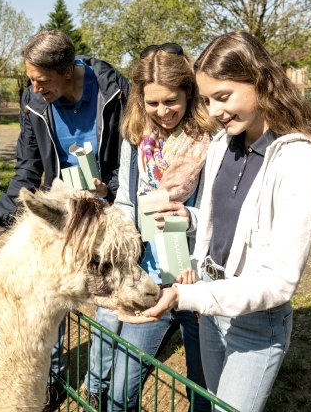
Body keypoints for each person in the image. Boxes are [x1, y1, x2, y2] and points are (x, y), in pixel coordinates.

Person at [119, 31, 311, 411]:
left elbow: (278, 282)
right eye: (207, 99)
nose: (213, 111)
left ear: (260, 83)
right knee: (212, 403)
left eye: (223, 97)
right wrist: (189, 218)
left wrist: (184, 296)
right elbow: (226, 223)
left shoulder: (299, 161)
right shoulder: (221, 145)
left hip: (254, 323)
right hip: (212, 309)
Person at [0, 29, 130, 412]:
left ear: (67, 70)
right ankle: (50, 381)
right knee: (49, 289)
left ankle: (97, 384)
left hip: (106, 205)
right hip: (60, 209)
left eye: (41, 80)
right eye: (30, 80)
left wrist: (112, 189)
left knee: (104, 289)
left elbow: (132, 158)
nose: (34, 88)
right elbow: (28, 166)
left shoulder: (114, 92)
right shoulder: (34, 100)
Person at [81, 42, 217, 412]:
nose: (162, 112)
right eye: (153, 103)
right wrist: (117, 233)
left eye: (171, 101)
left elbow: (218, 213)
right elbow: (127, 198)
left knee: (203, 387)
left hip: (197, 277)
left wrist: (188, 220)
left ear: (189, 93)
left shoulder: (212, 140)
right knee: (122, 389)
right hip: (151, 276)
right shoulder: (137, 136)